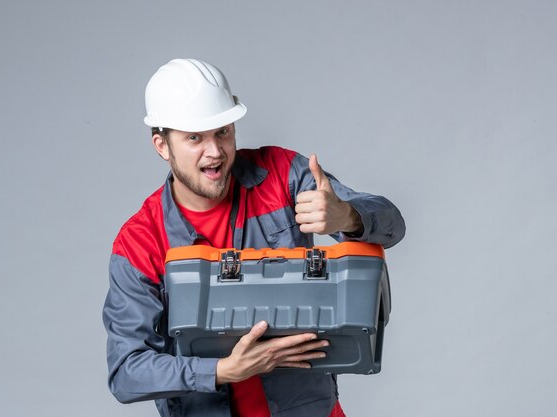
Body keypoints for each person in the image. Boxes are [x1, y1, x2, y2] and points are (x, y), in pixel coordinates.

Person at [103, 58, 406, 417]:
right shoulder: (140, 241)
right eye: (195, 138)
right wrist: (220, 371)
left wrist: (348, 216)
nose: (214, 151)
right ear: (162, 145)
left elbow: (393, 225)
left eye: (222, 132)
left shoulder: (282, 176)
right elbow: (127, 372)